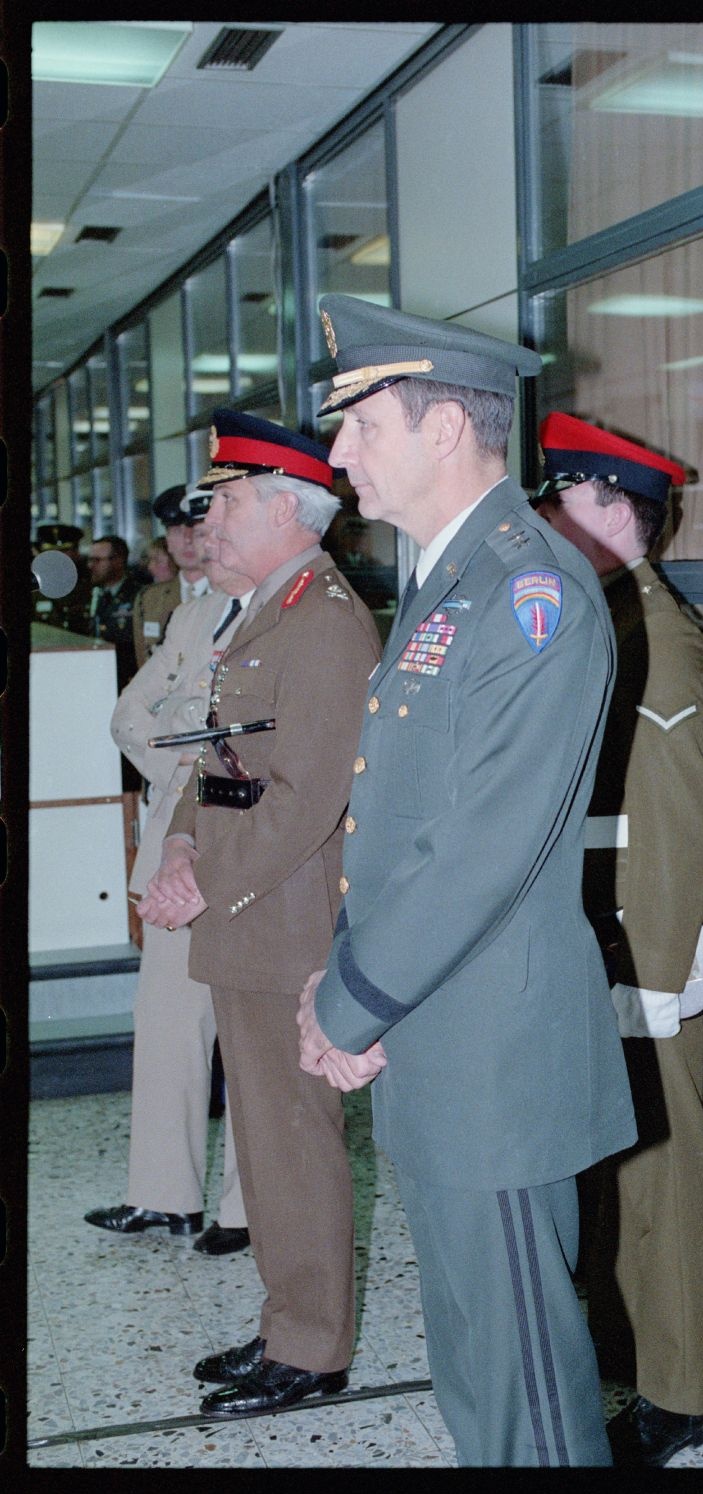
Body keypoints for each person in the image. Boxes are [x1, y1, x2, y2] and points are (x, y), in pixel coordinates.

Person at [296, 295, 637, 1467]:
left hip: (489, 1052)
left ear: (445, 431)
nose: (337, 452)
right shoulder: (448, 585)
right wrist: (350, 986)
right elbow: (399, 827)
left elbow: (482, 845)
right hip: (436, 1039)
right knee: (478, 1376)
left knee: (526, 1393)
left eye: (362, 424)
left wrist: (348, 1001)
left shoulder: (527, 591)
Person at [138, 409, 380, 1417]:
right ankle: (287, 1321)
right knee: (263, 1146)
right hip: (246, 910)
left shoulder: (323, 620)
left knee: (291, 1139)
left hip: (284, 920)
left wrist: (206, 879)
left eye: (230, 499)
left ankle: (313, 1348)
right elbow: (220, 758)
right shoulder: (261, 609)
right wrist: (184, 841)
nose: (213, 515)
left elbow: (308, 798)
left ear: (288, 510)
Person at [533, 412, 703, 1467]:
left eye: (563, 497)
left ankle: (685, 1387)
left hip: (644, 941)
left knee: (665, 1167)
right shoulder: (598, 618)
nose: (547, 517)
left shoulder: (650, 634)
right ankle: (630, 1349)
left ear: (621, 512)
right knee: (618, 1166)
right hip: (600, 936)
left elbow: (672, 815)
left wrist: (660, 967)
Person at [84, 494, 251, 1257]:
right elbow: (130, 712)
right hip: (174, 843)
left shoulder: (286, 610)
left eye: (212, 525)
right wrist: (183, 768)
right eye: (192, 529)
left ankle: (246, 1208)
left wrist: (192, 764)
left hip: (249, 846)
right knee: (166, 1020)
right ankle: (164, 1195)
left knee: (251, 1035)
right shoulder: (193, 615)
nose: (199, 539)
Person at [132, 485, 211, 664]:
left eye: (196, 531)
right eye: (177, 531)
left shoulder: (231, 593)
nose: (187, 540)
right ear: (167, 542)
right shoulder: (150, 599)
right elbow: (144, 667)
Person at [88, 534, 143, 689]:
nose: (90, 565)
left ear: (118, 561)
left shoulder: (139, 596)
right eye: (90, 559)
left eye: (97, 560)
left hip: (126, 679)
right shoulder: (91, 594)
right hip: (97, 676)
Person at [33, 522, 92, 634]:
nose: (57, 557)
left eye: (64, 551)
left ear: (76, 552)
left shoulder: (91, 584)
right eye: (51, 552)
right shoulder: (33, 590)